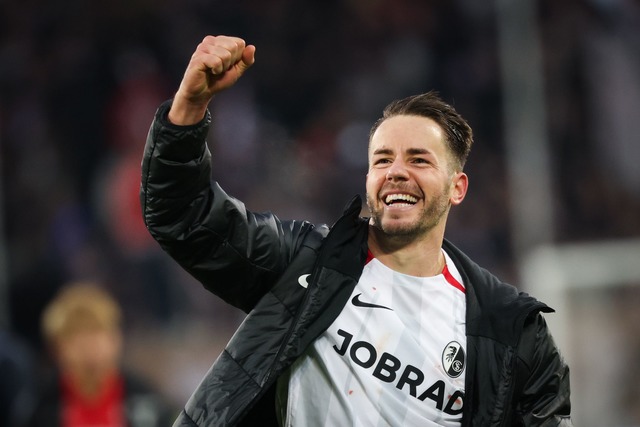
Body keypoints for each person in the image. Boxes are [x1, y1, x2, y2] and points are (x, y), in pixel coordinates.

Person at [140, 35, 572, 426]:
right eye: (383, 160)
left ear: (457, 188)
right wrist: (188, 109)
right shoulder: (305, 262)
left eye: (419, 160)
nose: (396, 172)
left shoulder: (510, 330)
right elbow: (184, 217)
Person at [25, 282, 174, 427]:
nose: (88, 347)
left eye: (96, 333)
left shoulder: (148, 402)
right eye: (76, 336)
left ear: (116, 339)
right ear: (57, 348)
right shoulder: (39, 408)